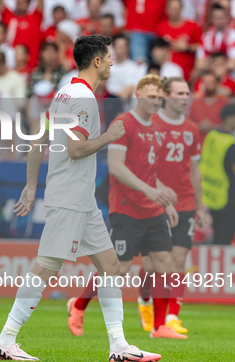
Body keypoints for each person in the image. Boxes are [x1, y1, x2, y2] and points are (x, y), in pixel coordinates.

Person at [0, 35, 161, 362]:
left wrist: (30, 185)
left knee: (111, 265)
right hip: (70, 197)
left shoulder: (64, 92)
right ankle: (5, 340)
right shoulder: (82, 98)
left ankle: (119, 346)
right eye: (109, 56)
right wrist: (109, 136)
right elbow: (75, 148)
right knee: (46, 267)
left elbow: (39, 138)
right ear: (96, 61)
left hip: (81, 199)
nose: (112, 61)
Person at [68, 74, 186, 340]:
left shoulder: (155, 128)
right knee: (119, 269)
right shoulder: (123, 123)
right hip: (126, 207)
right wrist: (151, 191)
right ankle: (78, 305)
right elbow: (117, 168)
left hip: (152, 208)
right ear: (140, 96)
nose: (157, 101)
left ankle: (159, 327)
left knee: (163, 263)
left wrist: (163, 197)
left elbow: (147, 171)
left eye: (160, 97)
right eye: (153, 96)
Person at [137, 77, 206, 335]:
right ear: (165, 95)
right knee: (152, 265)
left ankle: (172, 317)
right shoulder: (152, 125)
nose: (184, 97)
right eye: (179, 93)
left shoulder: (192, 129)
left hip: (185, 201)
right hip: (155, 201)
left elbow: (195, 170)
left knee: (178, 260)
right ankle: (145, 299)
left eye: (187, 92)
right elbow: (143, 165)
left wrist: (200, 206)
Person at [200, 104, 235, 244]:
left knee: (216, 237)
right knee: (225, 240)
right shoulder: (231, 143)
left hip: (211, 195)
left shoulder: (212, 135)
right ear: (229, 118)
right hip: (229, 198)